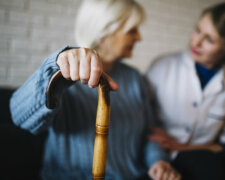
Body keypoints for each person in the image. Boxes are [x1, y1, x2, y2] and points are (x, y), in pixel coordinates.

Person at [10, 0, 180, 179]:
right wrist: (55, 71)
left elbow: (149, 133)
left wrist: (158, 161)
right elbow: (20, 118)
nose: (139, 38)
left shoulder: (135, 79)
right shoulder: (65, 75)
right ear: (104, 33)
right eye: (132, 30)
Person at [146, 2, 225, 180]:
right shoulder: (163, 66)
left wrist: (180, 146)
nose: (196, 42)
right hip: (160, 159)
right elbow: (139, 116)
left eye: (210, 39)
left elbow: (222, 145)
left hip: (207, 163)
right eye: (198, 30)